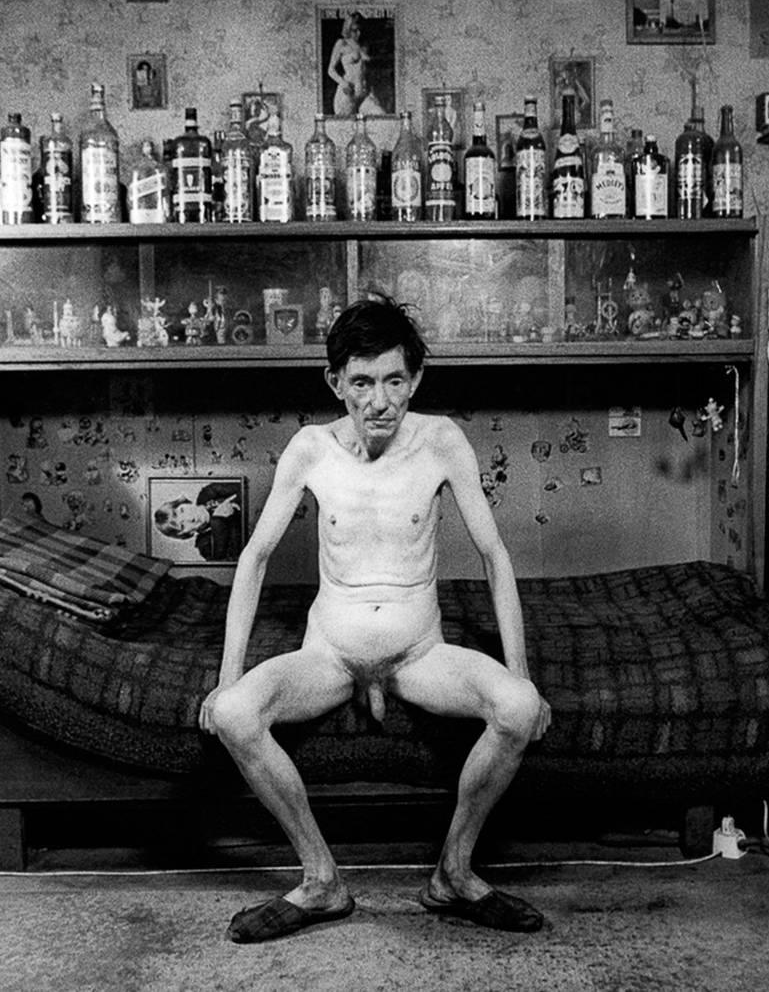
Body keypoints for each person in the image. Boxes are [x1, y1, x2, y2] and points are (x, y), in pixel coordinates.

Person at [200, 294, 551, 943]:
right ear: (335, 382)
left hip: (420, 655)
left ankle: (454, 873)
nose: (379, 401)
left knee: (519, 707)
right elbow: (254, 558)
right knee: (234, 714)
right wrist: (226, 678)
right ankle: (320, 880)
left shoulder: (441, 441)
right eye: (362, 382)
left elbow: (494, 554)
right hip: (329, 656)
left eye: (394, 380)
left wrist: (521, 671)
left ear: (415, 379)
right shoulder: (311, 449)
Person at [153, 482, 242, 561]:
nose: (190, 518)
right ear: (188, 533)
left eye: (182, 510)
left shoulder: (209, 492)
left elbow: (245, 486)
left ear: (186, 502)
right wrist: (218, 521)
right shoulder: (205, 547)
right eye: (183, 525)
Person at [327, 12, 386, 116]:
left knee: (381, 115)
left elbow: (367, 72)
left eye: (360, 30)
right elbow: (331, 70)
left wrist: (372, 91)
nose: (358, 33)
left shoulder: (364, 46)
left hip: (365, 93)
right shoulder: (342, 43)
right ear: (348, 29)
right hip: (348, 93)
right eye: (355, 30)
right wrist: (343, 83)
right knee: (347, 124)